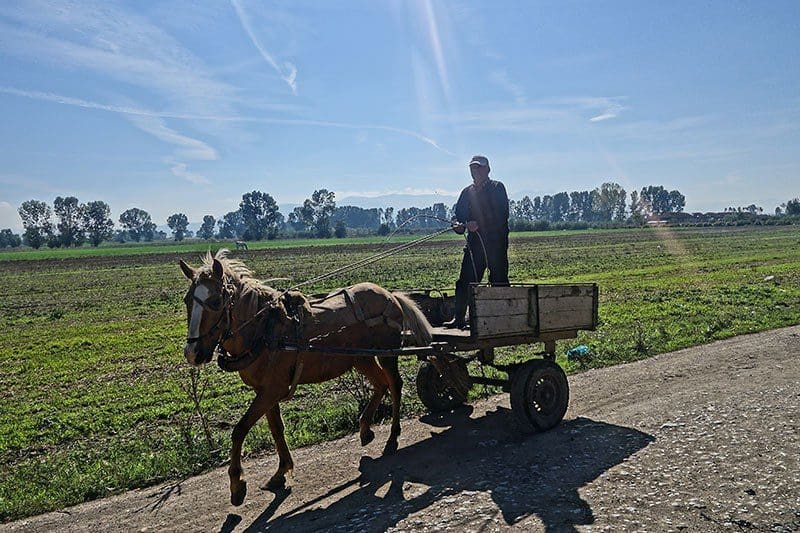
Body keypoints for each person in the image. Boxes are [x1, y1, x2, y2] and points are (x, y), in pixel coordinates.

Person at [445, 155, 510, 329]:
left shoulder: (497, 188)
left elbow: (501, 215)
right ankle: (459, 318)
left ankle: (503, 317)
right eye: (473, 168)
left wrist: (478, 224)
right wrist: (458, 226)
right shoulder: (467, 192)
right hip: (474, 245)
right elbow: (458, 216)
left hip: (496, 244)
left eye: (480, 168)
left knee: (499, 279)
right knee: (465, 280)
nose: (476, 171)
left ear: (488, 170)